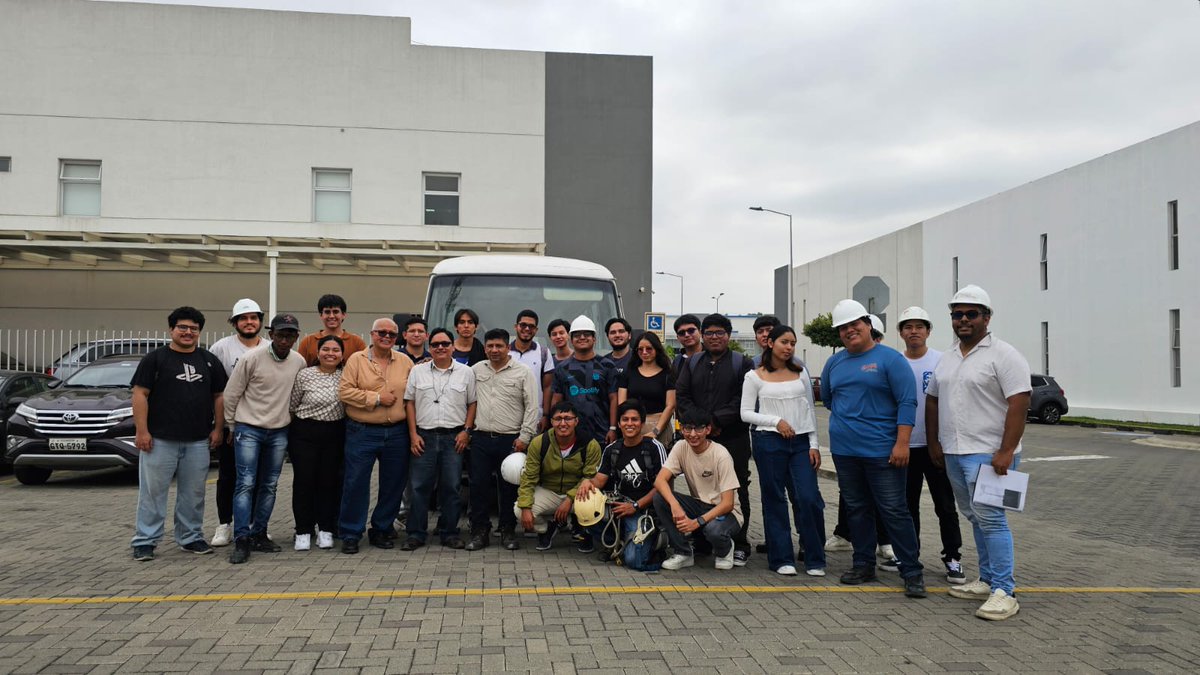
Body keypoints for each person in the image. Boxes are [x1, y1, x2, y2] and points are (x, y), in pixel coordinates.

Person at [927, 285, 1032, 621]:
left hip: (990, 454)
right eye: (957, 314)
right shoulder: (948, 357)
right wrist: (934, 443)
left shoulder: (1005, 355)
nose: (963, 320)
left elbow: (1020, 402)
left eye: (971, 313)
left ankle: (1005, 591)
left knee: (992, 519)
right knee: (974, 516)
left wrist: (1006, 451)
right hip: (955, 452)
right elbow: (933, 399)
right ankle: (987, 580)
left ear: (987, 317)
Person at [820, 299, 926, 598]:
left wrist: (902, 443)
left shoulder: (891, 359)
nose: (849, 330)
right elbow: (828, 399)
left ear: (868, 325)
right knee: (857, 509)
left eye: (854, 324)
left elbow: (907, 402)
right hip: (845, 452)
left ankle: (912, 571)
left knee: (894, 511)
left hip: (883, 452)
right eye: (843, 327)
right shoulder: (834, 363)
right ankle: (863, 564)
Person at [129, 307, 227, 561]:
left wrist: (218, 428)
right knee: (153, 493)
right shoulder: (155, 359)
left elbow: (219, 396)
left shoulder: (208, 360)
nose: (188, 332)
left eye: (194, 328)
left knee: (193, 494)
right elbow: (140, 394)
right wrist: (142, 431)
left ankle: (190, 537)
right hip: (159, 440)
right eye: (182, 327)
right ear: (171, 329)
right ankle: (145, 540)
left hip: (197, 441)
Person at [741, 324, 826, 577]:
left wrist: (814, 444)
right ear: (770, 343)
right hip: (768, 441)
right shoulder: (754, 376)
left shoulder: (800, 373)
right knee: (774, 498)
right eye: (784, 342)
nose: (789, 348)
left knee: (808, 497)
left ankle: (815, 558)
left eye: (793, 343)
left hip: (800, 443)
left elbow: (809, 410)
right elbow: (745, 413)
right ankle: (781, 558)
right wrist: (776, 421)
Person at [223, 313, 307, 564]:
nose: (285, 340)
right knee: (246, 483)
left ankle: (259, 533)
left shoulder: (299, 361)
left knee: (269, 485)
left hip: (279, 430)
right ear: (271, 335)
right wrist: (231, 426)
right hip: (249, 428)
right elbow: (231, 394)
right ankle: (241, 538)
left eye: (290, 335)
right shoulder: (251, 358)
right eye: (280, 335)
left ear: (296, 337)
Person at [675, 313, 754, 566]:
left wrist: (715, 422)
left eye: (720, 332)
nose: (714, 337)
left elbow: (743, 399)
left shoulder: (742, 363)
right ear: (703, 335)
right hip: (699, 438)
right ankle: (703, 541)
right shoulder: (692, 363)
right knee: (700, 487)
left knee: (737, 487)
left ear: (728, 335)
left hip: (732, 436)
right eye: (709, 333)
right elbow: (682, 396)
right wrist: (701, 426)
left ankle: (740, 543)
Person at [896, 306, 964, 584]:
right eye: (908, 327)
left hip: (936, 447)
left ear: (928, 331)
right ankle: (910, 556)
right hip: (905, 446)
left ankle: (953, 557)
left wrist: (941, 441)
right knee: (907, 506)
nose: (914, 332)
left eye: (919, 327)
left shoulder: (942, 361)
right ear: (901, 333)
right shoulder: (895, 362)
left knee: (945, 506)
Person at [337, 317, 413, 554]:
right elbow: (344, 392)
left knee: (393, 484)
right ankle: (351, 533)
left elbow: (414, 394)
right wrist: (377, 398)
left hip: (397, 432)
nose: (386, 337)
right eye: (382, 332)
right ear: (372, 334)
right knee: (356, 483)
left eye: (391, 334)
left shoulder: (405, 361)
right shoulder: (356, 360)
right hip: (363, 431)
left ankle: (381, 528)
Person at [403, 327, 477, 550]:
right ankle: (416, 533)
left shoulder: (466, 372)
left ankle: (449, 532)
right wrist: (413, 435)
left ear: (453, 347)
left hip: (453, 438)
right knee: (419, 487)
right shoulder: (418, 371)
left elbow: (472, 403)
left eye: (445, 344)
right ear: (430, 347)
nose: (440, 348)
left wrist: (466, 431)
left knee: (451, 487)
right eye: (435, 344)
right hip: (423, 436)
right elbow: (409, 403)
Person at [468, 328, 539, 551]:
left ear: (508, 348)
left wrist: (525, 436)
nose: (494, 350)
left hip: (511, 440)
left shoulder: (523, 372)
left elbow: (532, 407)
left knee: (508, 487)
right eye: (490, 346)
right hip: (480, 438)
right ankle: (480, 531)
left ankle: (508, 530)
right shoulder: (475, 370)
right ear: (485, 348)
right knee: (478, 486)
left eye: (499, 346)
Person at [577, 399, 667, 568]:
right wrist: (587, 482)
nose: (629, 424)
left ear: (642, 423)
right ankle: (615, 542)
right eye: (625, 419)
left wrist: (635, 506)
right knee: (583, 502)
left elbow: (663, 488)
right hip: (618, 507)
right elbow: (599, 481)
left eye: (634, 419)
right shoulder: (612, 449)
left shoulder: (655, 447)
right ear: (618, 423)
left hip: (644, 510)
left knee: (633, 561)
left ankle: (655, 541)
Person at [652, 408, 742, 571]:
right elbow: (660, 480)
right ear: (681, 429)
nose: (693, 434)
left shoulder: (721, 454)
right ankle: (683, 552)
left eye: (699, 429)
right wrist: (675, 505)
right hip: (699, 504)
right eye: (688, 428)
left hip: (725, 512)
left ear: (708, 429)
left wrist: (696, 522)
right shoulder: (681, 447)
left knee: (713, 530)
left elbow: (728, 503)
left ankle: (725, 550)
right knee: (660, 498)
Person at [207, 298, 264, 547]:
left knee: (258, 478)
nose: (249, 322)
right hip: (232, 424)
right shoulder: (221, 348)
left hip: (260, 424)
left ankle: (253, 525)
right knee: (229, 476)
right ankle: (224, 525)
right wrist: (221, 426)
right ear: (234, 322)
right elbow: (214, 391)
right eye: (243, 318)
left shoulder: (269, 347)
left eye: (253, 318)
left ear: (260, 321)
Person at [513, 401, 602, 551]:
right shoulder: (539, 443)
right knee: (519, 510)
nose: (563, 423)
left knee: (593, 503)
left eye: (568, 418)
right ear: (551, 421)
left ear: (576, 421)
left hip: (577, 493)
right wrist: (526, 507)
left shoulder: (590, 444)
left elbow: (589, 477)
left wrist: (569, 499)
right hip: (549, 490)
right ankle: (547, 528)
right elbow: (529, 478)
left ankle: (584, 531)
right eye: (558, 419)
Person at [288, 334, 346, 551]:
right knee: (304, 482)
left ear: (342, 355)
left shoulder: (346, 376)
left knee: (328, 482)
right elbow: (293, 404)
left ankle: (326, 529)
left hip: (335, 433)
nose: (330, 354)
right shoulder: (305, 375)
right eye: (326, 349)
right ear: (318, 352)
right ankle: (303, 530)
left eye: (336, 350)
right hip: (305, 432)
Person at [550, 315, 618, 449]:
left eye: (586, 334)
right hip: (571, 434)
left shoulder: (607, 365)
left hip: (602, 433)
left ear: (594, 338)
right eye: (577, 335)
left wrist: (613, 428)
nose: (582, 337)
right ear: (571, 340)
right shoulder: (562, 368)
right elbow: (557, 401)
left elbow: (614, 398)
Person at [617, 331, 675, 440]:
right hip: (632, 426)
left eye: (649, 349)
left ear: (657, 349)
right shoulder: (628, 373)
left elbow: (670, 406)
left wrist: (655, 431)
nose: (644, 352)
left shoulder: (668, 374)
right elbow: (622, 404)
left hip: (659, 428)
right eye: (640, 349)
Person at [509, 309, 555, 428]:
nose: (527, 329)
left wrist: (545, 415)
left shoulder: (544, 353)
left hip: (535, 419)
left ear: (536, 330)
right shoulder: (505, 352)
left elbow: (547, 386)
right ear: (516, 326)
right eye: (523, 325)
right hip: (508, 417)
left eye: (531, 326)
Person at [297, 294, 367, 367]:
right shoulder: (307, 342)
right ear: (321, 315)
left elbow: (364, 368)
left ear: (343, 315)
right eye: (327, 312)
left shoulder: (357, 342)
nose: (331, 316)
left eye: (335, 312)